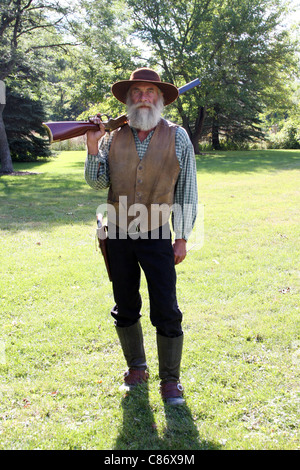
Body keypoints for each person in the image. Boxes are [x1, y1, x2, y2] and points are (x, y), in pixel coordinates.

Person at [84, 68, 198, 405]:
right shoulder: (112, 137)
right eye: (137, 92)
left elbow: (187, 190)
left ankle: (171, 381)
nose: (143, 97)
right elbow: (98, 183)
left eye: (150, 92)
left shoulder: (177, 137)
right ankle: (137, 368)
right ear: (128, 98)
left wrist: (183, 237)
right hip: (118, 232)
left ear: (160, 99)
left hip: (158, 231)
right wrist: (92, 147)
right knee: (125, 303)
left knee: (166, 306)